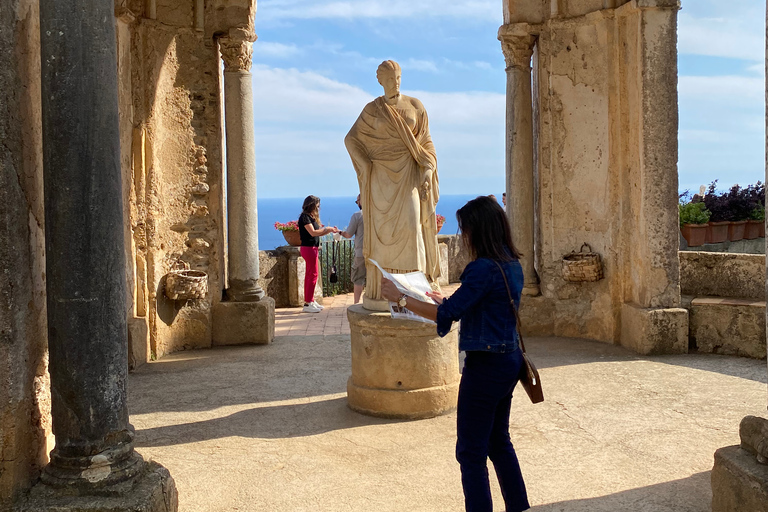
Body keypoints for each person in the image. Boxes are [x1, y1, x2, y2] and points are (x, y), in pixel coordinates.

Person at [380, 196, 530, 512]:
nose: (463, 236)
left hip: (485, 368)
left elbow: (446, 315)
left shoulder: (481, 269)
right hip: (509, 360)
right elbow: (480, 304)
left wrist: (401, 298)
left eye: (465, 229)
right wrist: (443, 298)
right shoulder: (511, 265)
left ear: (478, 230)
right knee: (498, 442)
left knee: (471, 453)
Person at [345, 60, 440, 309]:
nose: (395, 82)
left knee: (411, 227)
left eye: (398, 77)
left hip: (408, 175)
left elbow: (427, 144)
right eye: (389, 79)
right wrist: (365, 165)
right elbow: (351, 139)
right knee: (381, 237)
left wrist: (428, 170)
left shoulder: (415, 106)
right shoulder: (371, 110)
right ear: (380, 81)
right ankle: (381, 293)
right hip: (379, 181)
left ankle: (414, 292)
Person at [298, 195, 338, 313]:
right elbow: (313, 232)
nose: (318, 208)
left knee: (312, 275)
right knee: (313, 274)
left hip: (312, 248)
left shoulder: (310, 217)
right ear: (312, 205)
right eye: (317, 206)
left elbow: (318, 233)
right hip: (308, 248)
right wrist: (328, 229)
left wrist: (328, 230)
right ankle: (308, 303)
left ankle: (310, 300)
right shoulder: (305, 218)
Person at [340, 194, 365, 304]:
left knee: (358, 278)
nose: (357, 204)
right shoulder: (377, 215)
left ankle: (356, 303)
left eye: (357, 201)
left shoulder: (357, 215)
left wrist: (340, 232)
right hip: (376, 253)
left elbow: (348, 234)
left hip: (361, 252)